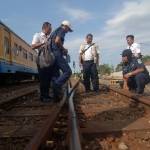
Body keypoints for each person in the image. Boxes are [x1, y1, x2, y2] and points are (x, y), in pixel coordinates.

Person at [50, 20, 72, 101]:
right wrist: (64, 49)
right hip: (57, 54)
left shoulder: (54, 31)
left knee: (56, 75)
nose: (67, 32)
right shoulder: (61, 30)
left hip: (52, 55)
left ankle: (56, 98)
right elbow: (57, 41)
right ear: (65, 26)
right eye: (68, 30)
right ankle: (56, 85)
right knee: (68, 71)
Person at [31, 22, 53, 102]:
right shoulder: (37, 35)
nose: (51, 30)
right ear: (45, 28)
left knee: (48, 78)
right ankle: (43, 97)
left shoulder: (50, 36)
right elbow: (33, 46)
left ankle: (46, 95)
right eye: (50, 28)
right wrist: (43, 43)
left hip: (48, 59)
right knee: (43, 78)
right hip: (41, 59)